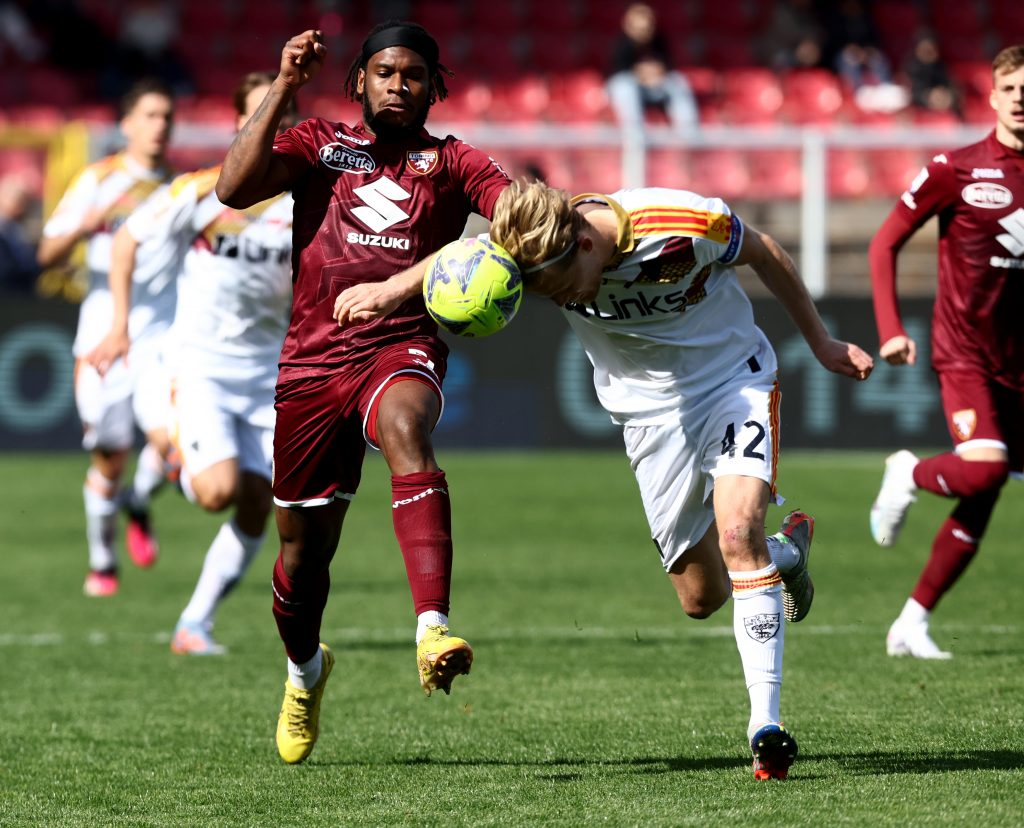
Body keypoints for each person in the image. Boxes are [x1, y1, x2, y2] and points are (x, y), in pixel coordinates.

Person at [487, 180, 874, 780]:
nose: (562, 300)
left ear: (584, 243)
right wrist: (388, 289)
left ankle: (765, 728)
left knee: (737, 533)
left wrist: (820, 341)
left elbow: (764, 252)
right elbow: (450, 262)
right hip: (648, 415)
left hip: (733, 381)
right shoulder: (533, 258)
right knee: (702, 598)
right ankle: (786, 555)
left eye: (560, 288)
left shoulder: (680, 223)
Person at [215, 23, 511, 764]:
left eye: (413, 75)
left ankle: (432, 627)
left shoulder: (454, 163)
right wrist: (282, 84)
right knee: (302, 559)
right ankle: (304, 671)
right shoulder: (319, 141)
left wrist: (524, 217)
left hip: (397, 347)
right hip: (311, 365)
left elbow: (517, 219)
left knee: (408, 427)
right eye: (383, 72)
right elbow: (231, 187)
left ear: (434, 87)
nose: (398, 86)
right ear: (358, 82)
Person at [87, 72, 297, 654]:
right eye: (263, 113)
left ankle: (194, 623)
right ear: (241, 124)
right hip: (200, 368)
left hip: (267, 376)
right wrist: (120, 324)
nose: (276, 124)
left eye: (286, 113)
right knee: (216, 493)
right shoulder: (203, 192)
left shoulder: (310, 203)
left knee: (270, 504)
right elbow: (127, 240)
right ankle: (165, 458)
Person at [868, 45, 1024, 660]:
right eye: (1010, 86)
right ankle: (905, 471)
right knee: (984, 468)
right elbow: (884, 244)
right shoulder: (955, 168)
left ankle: (911, 622)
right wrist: (888, 328)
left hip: (1019, 363)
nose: (1021, 96)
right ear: (992, 96)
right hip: (964, 353)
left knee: (986, 491)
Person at [37, 78, 178, 597]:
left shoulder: (179, 187)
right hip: (102, 339)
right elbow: (47, 254)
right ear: (126, 124)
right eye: (150, 115)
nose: (160, 125)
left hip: (165, 334)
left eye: (167, 116)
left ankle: (139, 500)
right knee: (110, 457)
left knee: (173, 443)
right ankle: (102, 560)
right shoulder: (98, 179)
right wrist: (86, 224)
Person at [605, 2, 699, 132]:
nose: (644, 26)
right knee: (626, 86)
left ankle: (690, 138)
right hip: (627, 91)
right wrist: (642, 73)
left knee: (678, 81)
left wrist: (655, 74)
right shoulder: (622, 42)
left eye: (647, 21)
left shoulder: (659, 39)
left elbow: (667, 66)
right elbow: (619, 71)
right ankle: (635, 140)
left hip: (653, 88)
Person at [0, 173, 40, 293]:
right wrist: (41, 265)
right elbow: (7, 269)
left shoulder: (16, 229)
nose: (26, 206)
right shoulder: (4, 230)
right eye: (20, 200)